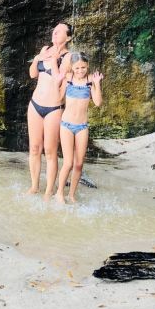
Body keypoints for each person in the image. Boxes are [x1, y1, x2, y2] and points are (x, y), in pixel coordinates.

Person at [27, 21, 74, 198]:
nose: (55, 32)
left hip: (54, 107)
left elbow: (58, 82)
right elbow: (33, 74)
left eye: (60, 31)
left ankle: (48, 191)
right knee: (34, 148)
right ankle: (34, 187)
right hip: (35, 104)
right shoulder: (45, 49)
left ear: (68, 37)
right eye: (54, 30)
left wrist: (53, 61)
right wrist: (38, 58)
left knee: (50, 151)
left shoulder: (68, 57)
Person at [55, 52, 103, 205]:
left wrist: (97, 84)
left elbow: (98, 103)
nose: (80, 70)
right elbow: (58, 98)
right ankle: (59, 193)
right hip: (66, 125)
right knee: (68, 162)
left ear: (87, 66)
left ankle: (72, 195)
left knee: (79, 164)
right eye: (77, 68)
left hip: (82, 126)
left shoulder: (90, 81)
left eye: (83, 67)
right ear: (72, 67)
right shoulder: (68, 78)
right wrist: (58, 82)